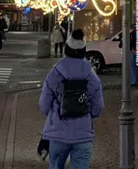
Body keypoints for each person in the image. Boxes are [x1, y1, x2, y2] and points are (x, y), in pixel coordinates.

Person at [39, 29, 104, 169]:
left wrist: (55, 114)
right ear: (84, 51)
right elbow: (97, 109)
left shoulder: (54, 75)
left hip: (57, 133)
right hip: (83, 135)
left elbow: (44, 105)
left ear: (66, 50)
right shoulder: (93, 78)